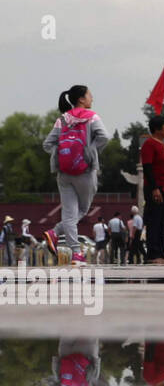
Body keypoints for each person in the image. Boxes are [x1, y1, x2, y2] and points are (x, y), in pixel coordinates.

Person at [41, 85, 109, 266]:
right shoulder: (91, 117)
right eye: (89, 95)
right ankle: (56, 233)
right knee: (82, 210)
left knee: (69, 213)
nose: (91, 98)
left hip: (63, 172)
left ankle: (76, 254)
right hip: (85, 171)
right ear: (81, 99)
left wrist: (63, 154)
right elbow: (104, 137)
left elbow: (47, 144)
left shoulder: (62, 119)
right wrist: (90, 151)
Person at [140, 115, 164, 263]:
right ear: (157, 128)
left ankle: (161, 252)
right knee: (154, 221)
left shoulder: (162, 145)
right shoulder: (149, 144)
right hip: (156, 188)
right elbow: (147, 167)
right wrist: (155, 188)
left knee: (162, 222)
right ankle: (153, 254)